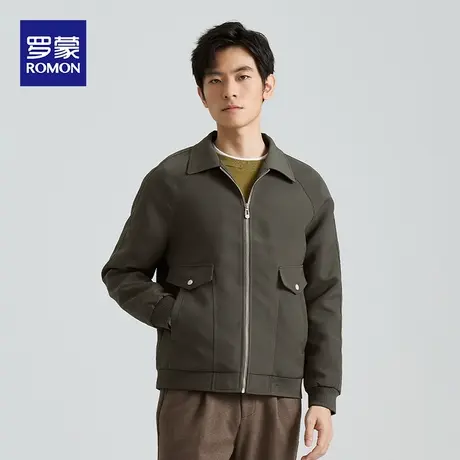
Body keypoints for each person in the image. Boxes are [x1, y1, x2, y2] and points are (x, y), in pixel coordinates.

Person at [101, 20, 342, 460]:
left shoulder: (305, 189)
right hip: (194, 392)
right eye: (216, 80)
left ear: (267, 86)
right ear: (202, 93)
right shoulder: (172, 181)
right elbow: (122, 272)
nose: (230, 91)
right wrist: (178, 316)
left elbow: (324, 296)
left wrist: (323, 396)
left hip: (277, 396)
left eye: (242, 76)